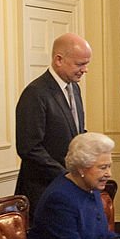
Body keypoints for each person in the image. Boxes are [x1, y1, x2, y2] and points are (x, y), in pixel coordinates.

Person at [17, 132, 120, 239]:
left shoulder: (89, 188)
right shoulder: (60, 199)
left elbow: (96, 229)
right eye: (103, 167)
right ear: (81, 169)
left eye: (109, 166)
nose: (109, 174)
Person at [15, 33, 91, 219]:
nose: (85, 70)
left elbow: (77, 133)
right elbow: (29, 148)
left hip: (69, 188)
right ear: (59, 60)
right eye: (80, 64)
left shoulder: (74, 88)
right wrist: (66, 175)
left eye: (86, 63)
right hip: (44, 190)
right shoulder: (35, 93)